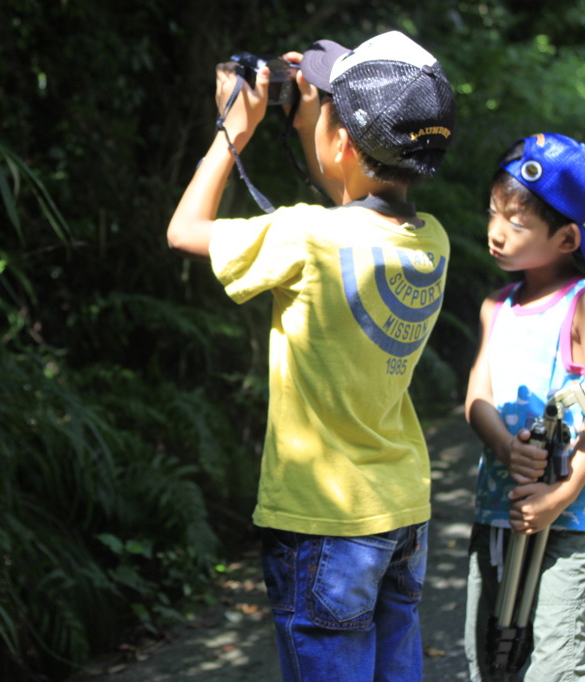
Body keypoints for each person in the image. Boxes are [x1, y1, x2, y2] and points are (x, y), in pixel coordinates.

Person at [166, 31, 458, 681]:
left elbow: (183, 230)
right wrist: (318, 120)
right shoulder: (430, 240)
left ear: (344, 143)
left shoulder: (304, 237)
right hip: (401, 510)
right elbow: (355, 202)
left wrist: (232, 130)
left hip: (324, 522)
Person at [462, 133, 585, 681]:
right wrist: (507, 448)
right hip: (499, 505)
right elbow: (476, 399)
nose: (496, 231)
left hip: (568, 512)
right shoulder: (496, 307)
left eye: (517, 222)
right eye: (493, 213)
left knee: (555, 656)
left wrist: (560, 493)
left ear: (566, 237)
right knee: (490, 649)